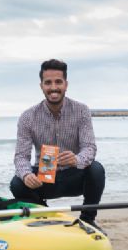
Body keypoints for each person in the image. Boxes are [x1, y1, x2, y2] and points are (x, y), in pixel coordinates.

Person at [10, 59, 106, 233]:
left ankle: (88, 219)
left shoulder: (81, 110)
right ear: (41, 86)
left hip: (73, 175)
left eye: (58, 82)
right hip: (44, 179)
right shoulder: (27, 117)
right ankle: (45, 215)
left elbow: (90, 148)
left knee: (96, 169)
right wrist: (26, 175)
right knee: (17, 183)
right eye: (48, 83)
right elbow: (21, 157)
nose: (53, 88)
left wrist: (76, 159)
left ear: (66, 84)